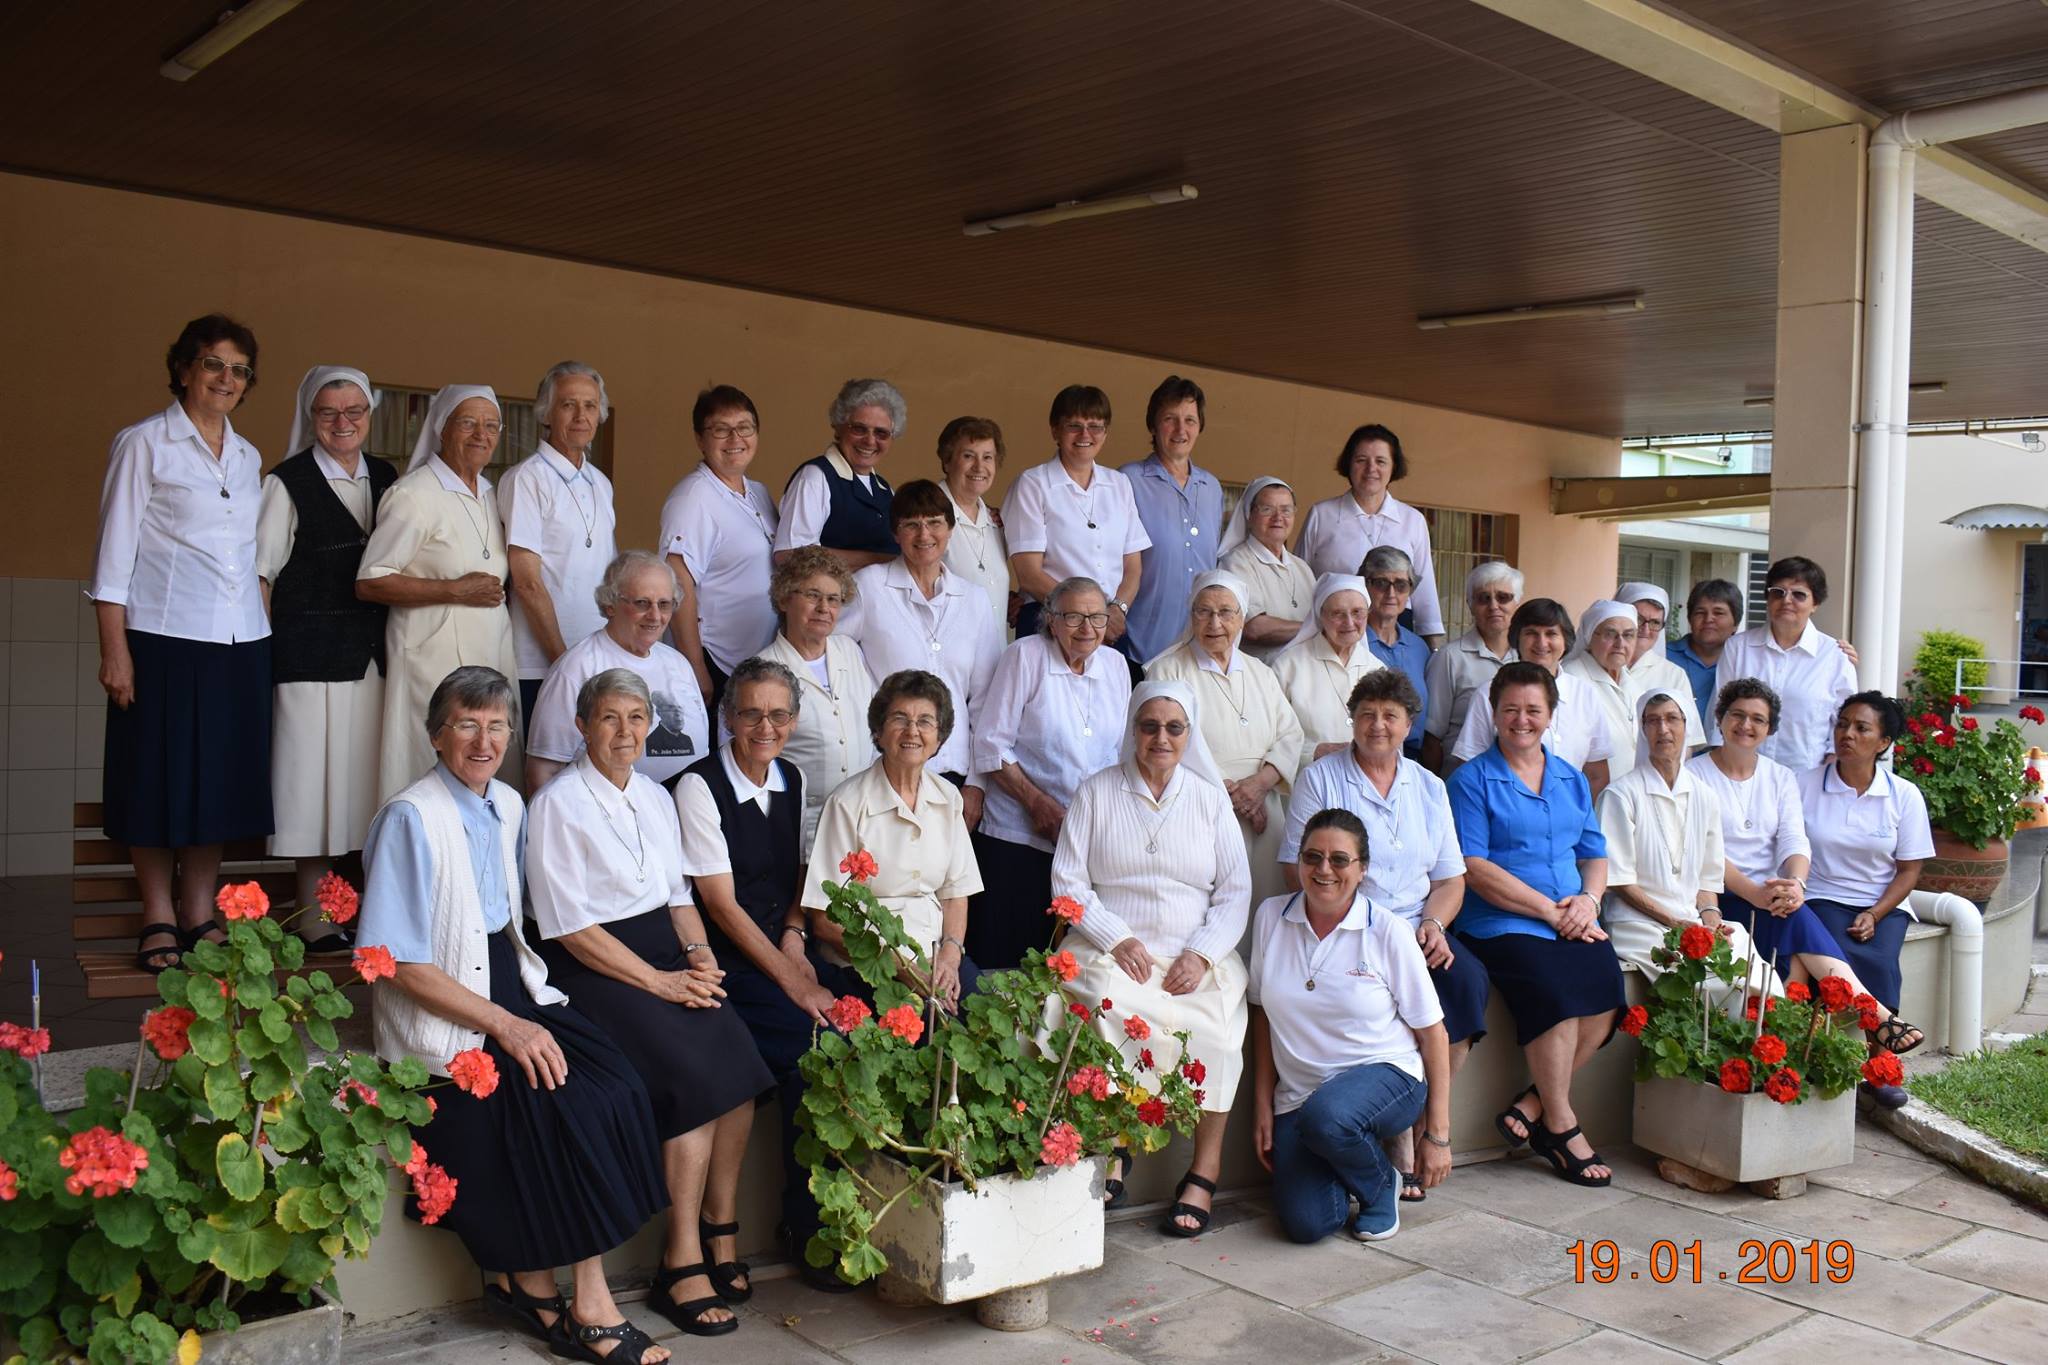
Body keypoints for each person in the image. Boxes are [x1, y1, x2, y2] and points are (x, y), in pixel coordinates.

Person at [357, 666, 670, 1365]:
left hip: (509, 981)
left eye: (498, 724)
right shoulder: (410, 816)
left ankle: (530, 1284)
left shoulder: (506, 802)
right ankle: (587, 1303)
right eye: (467, 723)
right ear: (437, 733)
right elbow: (396, 961)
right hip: (447, 1006)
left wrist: (523, 1010)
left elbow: (502, 924)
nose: (484, 738)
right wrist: (505, 1023)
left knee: (616, 1080)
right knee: (563, 1102)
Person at [526, 669, 772, 1337]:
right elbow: (570, 928)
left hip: (666, 954)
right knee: (693, 1083)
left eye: (637, 718)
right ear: (582, 724)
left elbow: (678, 896)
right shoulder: (557, 805)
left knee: (740, 1068)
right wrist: (661, 982)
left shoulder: (656, 798)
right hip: (596, 970)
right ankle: (680, 1257)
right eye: (610, 718)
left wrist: (699, 957)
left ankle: (721, 1230)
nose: (626, 732)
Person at [673, 657, 870, 1291]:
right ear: (727, 717)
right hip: (722, 960)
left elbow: (797, 878)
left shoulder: (790, 776)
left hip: (780, 950)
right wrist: (794, 979)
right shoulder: (697, 787)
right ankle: (802, 1223)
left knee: (859, 1029)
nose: (766, 725)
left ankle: (835, 1216)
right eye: (751, 712)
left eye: (779, 713)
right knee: (815, 1044)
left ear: (794, 720)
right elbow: (722, 907)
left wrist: (794, 935)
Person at [93, 314, 274, 972]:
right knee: (156, 778)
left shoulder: (250, 457)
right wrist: (115, 649)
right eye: (213, 364)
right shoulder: (145, 443)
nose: (225, 378)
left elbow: (252, 557)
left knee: (216, 784)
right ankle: (158, 914)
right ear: (183, 369)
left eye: (238, 369)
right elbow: (112, 556)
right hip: (163, 637)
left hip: (239, 641)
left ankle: (200, 912)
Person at [1277, 670, 1484, 1202]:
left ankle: (1418, 1122)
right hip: (1351, 924)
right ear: (1352, 719)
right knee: (1379, 996)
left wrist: (1434, 924)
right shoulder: (1321, 778)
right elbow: (1295, 868)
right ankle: (1390, 1141)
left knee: (1466, 984)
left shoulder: (1429, 785)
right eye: (1367, 713)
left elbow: (1450, 878)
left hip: (1417, 924)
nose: (1378, 724)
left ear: (1409, 724)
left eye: (1390, 715)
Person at [1053, 681, 1251, 1233]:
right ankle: (1114, 1142)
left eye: (1174, 727)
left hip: (1192, 958)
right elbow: (1068, 881)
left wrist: (1204, 954)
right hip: (1112, 949)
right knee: (1108, 1007)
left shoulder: (1210, 800)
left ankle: (1203, 1173)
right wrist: (1115, 937)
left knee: (1214, 1034)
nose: (1160, 737)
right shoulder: (1095, 792)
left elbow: (1236, 890)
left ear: (1190, 735)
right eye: (1149, 726)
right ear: (1132, 732)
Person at [1447, 662, 1625, 1188]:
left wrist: (1588, 903)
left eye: (1533, 710)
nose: (1521, 720)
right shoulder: (1471, 780)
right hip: (1501, 921)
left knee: (1608, 994)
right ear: (1493, 713)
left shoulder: (1570, 777)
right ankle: (1563, 1125)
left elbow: (1594, 853)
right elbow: (1474, 868)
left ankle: (1533, 1104)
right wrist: (1550, 912)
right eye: (1511, 710)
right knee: (1555, 994)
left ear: (1550, 715)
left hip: (1569, 915)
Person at [1250, 809, 1454, 1243]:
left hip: (1388, 1077)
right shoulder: (1270, 917)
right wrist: (1263, 1105)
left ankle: (1382, 1185)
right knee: (1307, 1225)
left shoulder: (1389, 931)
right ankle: (1346, 1161)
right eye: (1312, 857)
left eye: (1340, 860)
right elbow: (1262, 1015)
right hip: (1301, 1097)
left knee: (1330, 1117)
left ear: (1362, 870)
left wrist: (1437, 1135)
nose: (1324, 869)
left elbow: (1434, 1032)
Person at [1686, 679, 1910, 1069]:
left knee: (1794, 914)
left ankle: (1788, 1049)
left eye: (1758, 719)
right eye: (1737, 714)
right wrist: (1757, 893)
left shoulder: (1779, 776)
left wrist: (1796, 883)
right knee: (1796, 924)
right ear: (1720, 719)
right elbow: (1705, 852)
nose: (1746, 725)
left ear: (1770, 729)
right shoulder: (1695, 774)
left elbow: (1794, 839)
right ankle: (1874, 1013)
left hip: (1770, 896)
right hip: (1718, 895)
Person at [257, 365, 396, 949]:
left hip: (372, 662)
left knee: (364, 788)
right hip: (306, 661)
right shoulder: (285, 482)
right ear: (310, 417)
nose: (343, 423)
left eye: (354, 411)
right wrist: (260, 661)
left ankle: (363, 916)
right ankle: (314, 922)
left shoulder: (388, 477)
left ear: (369, 416)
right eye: (328, 412)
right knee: (309, 790)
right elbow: (260, 577)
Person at [358, 385, 521, 802]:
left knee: (488, 767)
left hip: (490, 651)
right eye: (467, 423)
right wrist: (455, 590)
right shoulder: (414, 495)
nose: (480, 434)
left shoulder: (488, 492)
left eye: (490, 425)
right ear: (442, 429)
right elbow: (371, 580)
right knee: (427, 766)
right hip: (431, 660)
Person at [970, 577, 1130, 968]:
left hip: (1088, 842)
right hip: (1019, 837)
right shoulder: (1025, 656)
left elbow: (1120, 750)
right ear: (1051, 620)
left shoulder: (1117, 665)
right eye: (1073, 617)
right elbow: (991, 743)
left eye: (1096, 617)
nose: (1087, 628)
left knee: (1067, 964)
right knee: (1007, 959)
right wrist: (1037, 803)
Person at [802, 670, 986, 1005]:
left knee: (984, 1023)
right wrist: (907, 971)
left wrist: (950, 956)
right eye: (899, 718)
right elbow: (825, 920)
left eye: (926, 721)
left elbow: (956, 893)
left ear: (939, 736)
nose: (912, 731)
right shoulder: (847, 803)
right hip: (866, 963)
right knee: (922, 1040)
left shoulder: (948, 797)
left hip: (936, 958)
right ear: (879, 731)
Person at [836, 480, 1002, 826]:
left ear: (951, 528)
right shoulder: (869, 587)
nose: (924, 534)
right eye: (911, 524)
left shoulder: (973, 599)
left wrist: (977, 784)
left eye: (934, 522)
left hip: (953, 770)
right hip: (885, 766)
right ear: (896, 534)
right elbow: (834, 660)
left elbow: (986, 699)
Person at [1797, 692, 1935, 1102]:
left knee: (1880, 956)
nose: (1847, 735)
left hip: (1883, 901)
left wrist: (1875, 913)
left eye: (1861, 728)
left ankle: (1881, 1068)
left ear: (1884, 742)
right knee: (1835, 950)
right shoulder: (1804, 784)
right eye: (1842, 724)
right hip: (1820, 895)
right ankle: (1819, 1056)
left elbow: (1910, 869)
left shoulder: (1903, 795)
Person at [1595, 691, 1771, 1002]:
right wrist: (1675, 923)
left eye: (1672, 718)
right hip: (1637, 925)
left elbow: (1707, 879)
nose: (1663, 729)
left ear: (1686, 725)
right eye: (1653, 720)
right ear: (1643, 730)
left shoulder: (1704, 795)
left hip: (1690, 919)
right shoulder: (1620, 795)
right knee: (1710, 984)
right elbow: (1619, 881)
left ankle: (1757, 1048)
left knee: (1755, 969)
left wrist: (1712, 921)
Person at [1145, 570, 1303, 909]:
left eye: (1225, 612)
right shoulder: (1167, 671)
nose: (1214, 622)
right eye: (1204, 611)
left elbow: (1290, 733)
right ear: (1192, 616)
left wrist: (1261, 784)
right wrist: (1233, 795)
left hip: (1266, 807)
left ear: (1242, 618)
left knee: (1265, 903)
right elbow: (1171, 745)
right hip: (1202, 806)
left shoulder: (1262, 672)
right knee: (1214, 905)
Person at [526, 552, 708, 790]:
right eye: (642, 603)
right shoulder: (577, 666)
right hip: (605, 819)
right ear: (610, 604)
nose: (655, 615)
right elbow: (544, 768)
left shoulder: (678, 663)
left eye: (664, 604)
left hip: (682, 813)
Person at [498, 362, 618, 722]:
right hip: (542, 664)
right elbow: (527, 581)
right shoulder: (526, 478)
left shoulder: (601, 482)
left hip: (596, 660)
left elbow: (610, 576)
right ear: (546, 413)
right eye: (568, 405)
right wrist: (564, 661)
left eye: (590, 406)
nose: (581, 415)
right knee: (543, 771)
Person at [1004, 384, 1150, 660]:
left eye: (1095, 426)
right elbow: (1029, 575)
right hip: (1050, 622)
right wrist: (1092, 617)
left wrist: (1116, 610)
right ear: (1055, 430)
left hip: (1110, 626)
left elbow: (1133, 568)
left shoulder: (1119, 484)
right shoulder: (1033, 484)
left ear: (1105, 432)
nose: (1085, 434)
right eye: (1074, 425)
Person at [659, 385, 779, 709]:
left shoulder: (759, 493)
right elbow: (677, 582)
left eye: (744, 428)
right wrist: (695, 665)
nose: (735, 439)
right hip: (715, 661)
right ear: (700, 439)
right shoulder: (693, 498)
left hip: (755, 663)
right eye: (720, 430)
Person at [757, 546, 878, 847]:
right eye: (813, 595)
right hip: (799, 831)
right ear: (785, 598)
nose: (824, 607)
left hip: (864, 824)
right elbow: (749, 763)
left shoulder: (850, 651)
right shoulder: (762, 670)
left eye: (834, 599)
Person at [1297, 424, 1444, 644]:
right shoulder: (1322, 514)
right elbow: (1299, 579)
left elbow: (1425, 591)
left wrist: (1432, 646)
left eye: (1381, 461)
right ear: (1348, 464)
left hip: (1395, 629)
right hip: (1334, 628)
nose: (1371, 469)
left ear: (1394, 467)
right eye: (1361, 460)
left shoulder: (1412, 520)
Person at [1710, 556, 1857, 770]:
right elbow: (1719, 710)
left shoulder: (1835, 656)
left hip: (1807, 778)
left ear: (1815, 603)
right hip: (1742, 773)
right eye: (1778, 592)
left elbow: (1845, 721)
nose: (1787, 600)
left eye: (1799, 594)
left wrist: (1831, 766)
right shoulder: (1738, 648)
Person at [1450, 599, 1613, 790]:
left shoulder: (1585, 695)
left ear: (1565, 640)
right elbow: (1468, 766)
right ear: (1516, 639)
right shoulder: (1489, 693)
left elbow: (1596, 774)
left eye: (1551, 633)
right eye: (1531, 633)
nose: (1541, 643)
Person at [1121, 375, 1225, 661]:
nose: (1181, 429)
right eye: (1170, 418)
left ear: (1200, 426)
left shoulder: (1211, 487)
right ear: (1153, 426)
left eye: (1190, 420)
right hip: (1141, 643)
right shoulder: (1128, 480)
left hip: (1199, 646)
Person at [1561, 599, 1705, 784]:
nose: (1620, 643)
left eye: (1628, 635)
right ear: (1590, 637)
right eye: (1610, 634)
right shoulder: (1573, 679)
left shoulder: (1631, 683)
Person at [773, 378, 905, 570]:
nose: (870, 441)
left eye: (881, 433)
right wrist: (878, 560)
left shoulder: (885, 490)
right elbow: (790, 555)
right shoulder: (816, 477)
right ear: (839, 426)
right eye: (859, 429)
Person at [1272, 574, 1388, 773]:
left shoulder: (1378, 669)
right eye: (1338, 614)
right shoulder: (1288, 666)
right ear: (1321, 616)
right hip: (1307, 781)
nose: (1349, 622)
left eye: (1357, 612)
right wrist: (1314, 751)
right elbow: (1270, 736)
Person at [1423, 562, 1520, 774]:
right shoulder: (1450, 658)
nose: (1494, 606)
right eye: (1484, 598)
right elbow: (1432, 738)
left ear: (1517, 603)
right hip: (1463, 779)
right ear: (1470, 605)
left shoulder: (1526, 657)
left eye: (1503, 597)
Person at [1218, 476, 1316, 661]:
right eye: (1267, 509)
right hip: (1261, 678)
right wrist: (1316, 627)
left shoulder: (1302, 568)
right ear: (1249, 514)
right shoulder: (1235, 563)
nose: (1278, 518)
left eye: (1286, 510)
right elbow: (1254, 628)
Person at [935, 416, 1012, 637]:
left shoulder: (996, 523)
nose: (980, 466)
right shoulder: (929, 517)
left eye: (988, 457)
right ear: (947, 461)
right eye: (968, 456)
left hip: (994, 656)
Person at [1359, 546, 1431, 760]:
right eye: (1381, 583)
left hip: (1413, 759)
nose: (1391, 594)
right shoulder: (1354, 642)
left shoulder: (1419, 647)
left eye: (1400, 585)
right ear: (1365, 585)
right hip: (1365, 756)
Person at [1614, 582, 1708, 733]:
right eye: (1638, 619)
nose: (1645, 629)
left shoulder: (1674, 675)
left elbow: (1689, 739)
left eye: (1655, 622)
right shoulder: (1588, 667)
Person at [1668, 579, 1743, 722]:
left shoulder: (1743, 662)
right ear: (1690, 619)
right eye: (1700, 612)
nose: (1708, 619)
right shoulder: (1664, 656)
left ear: (1736, 623)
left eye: (1718, 613)